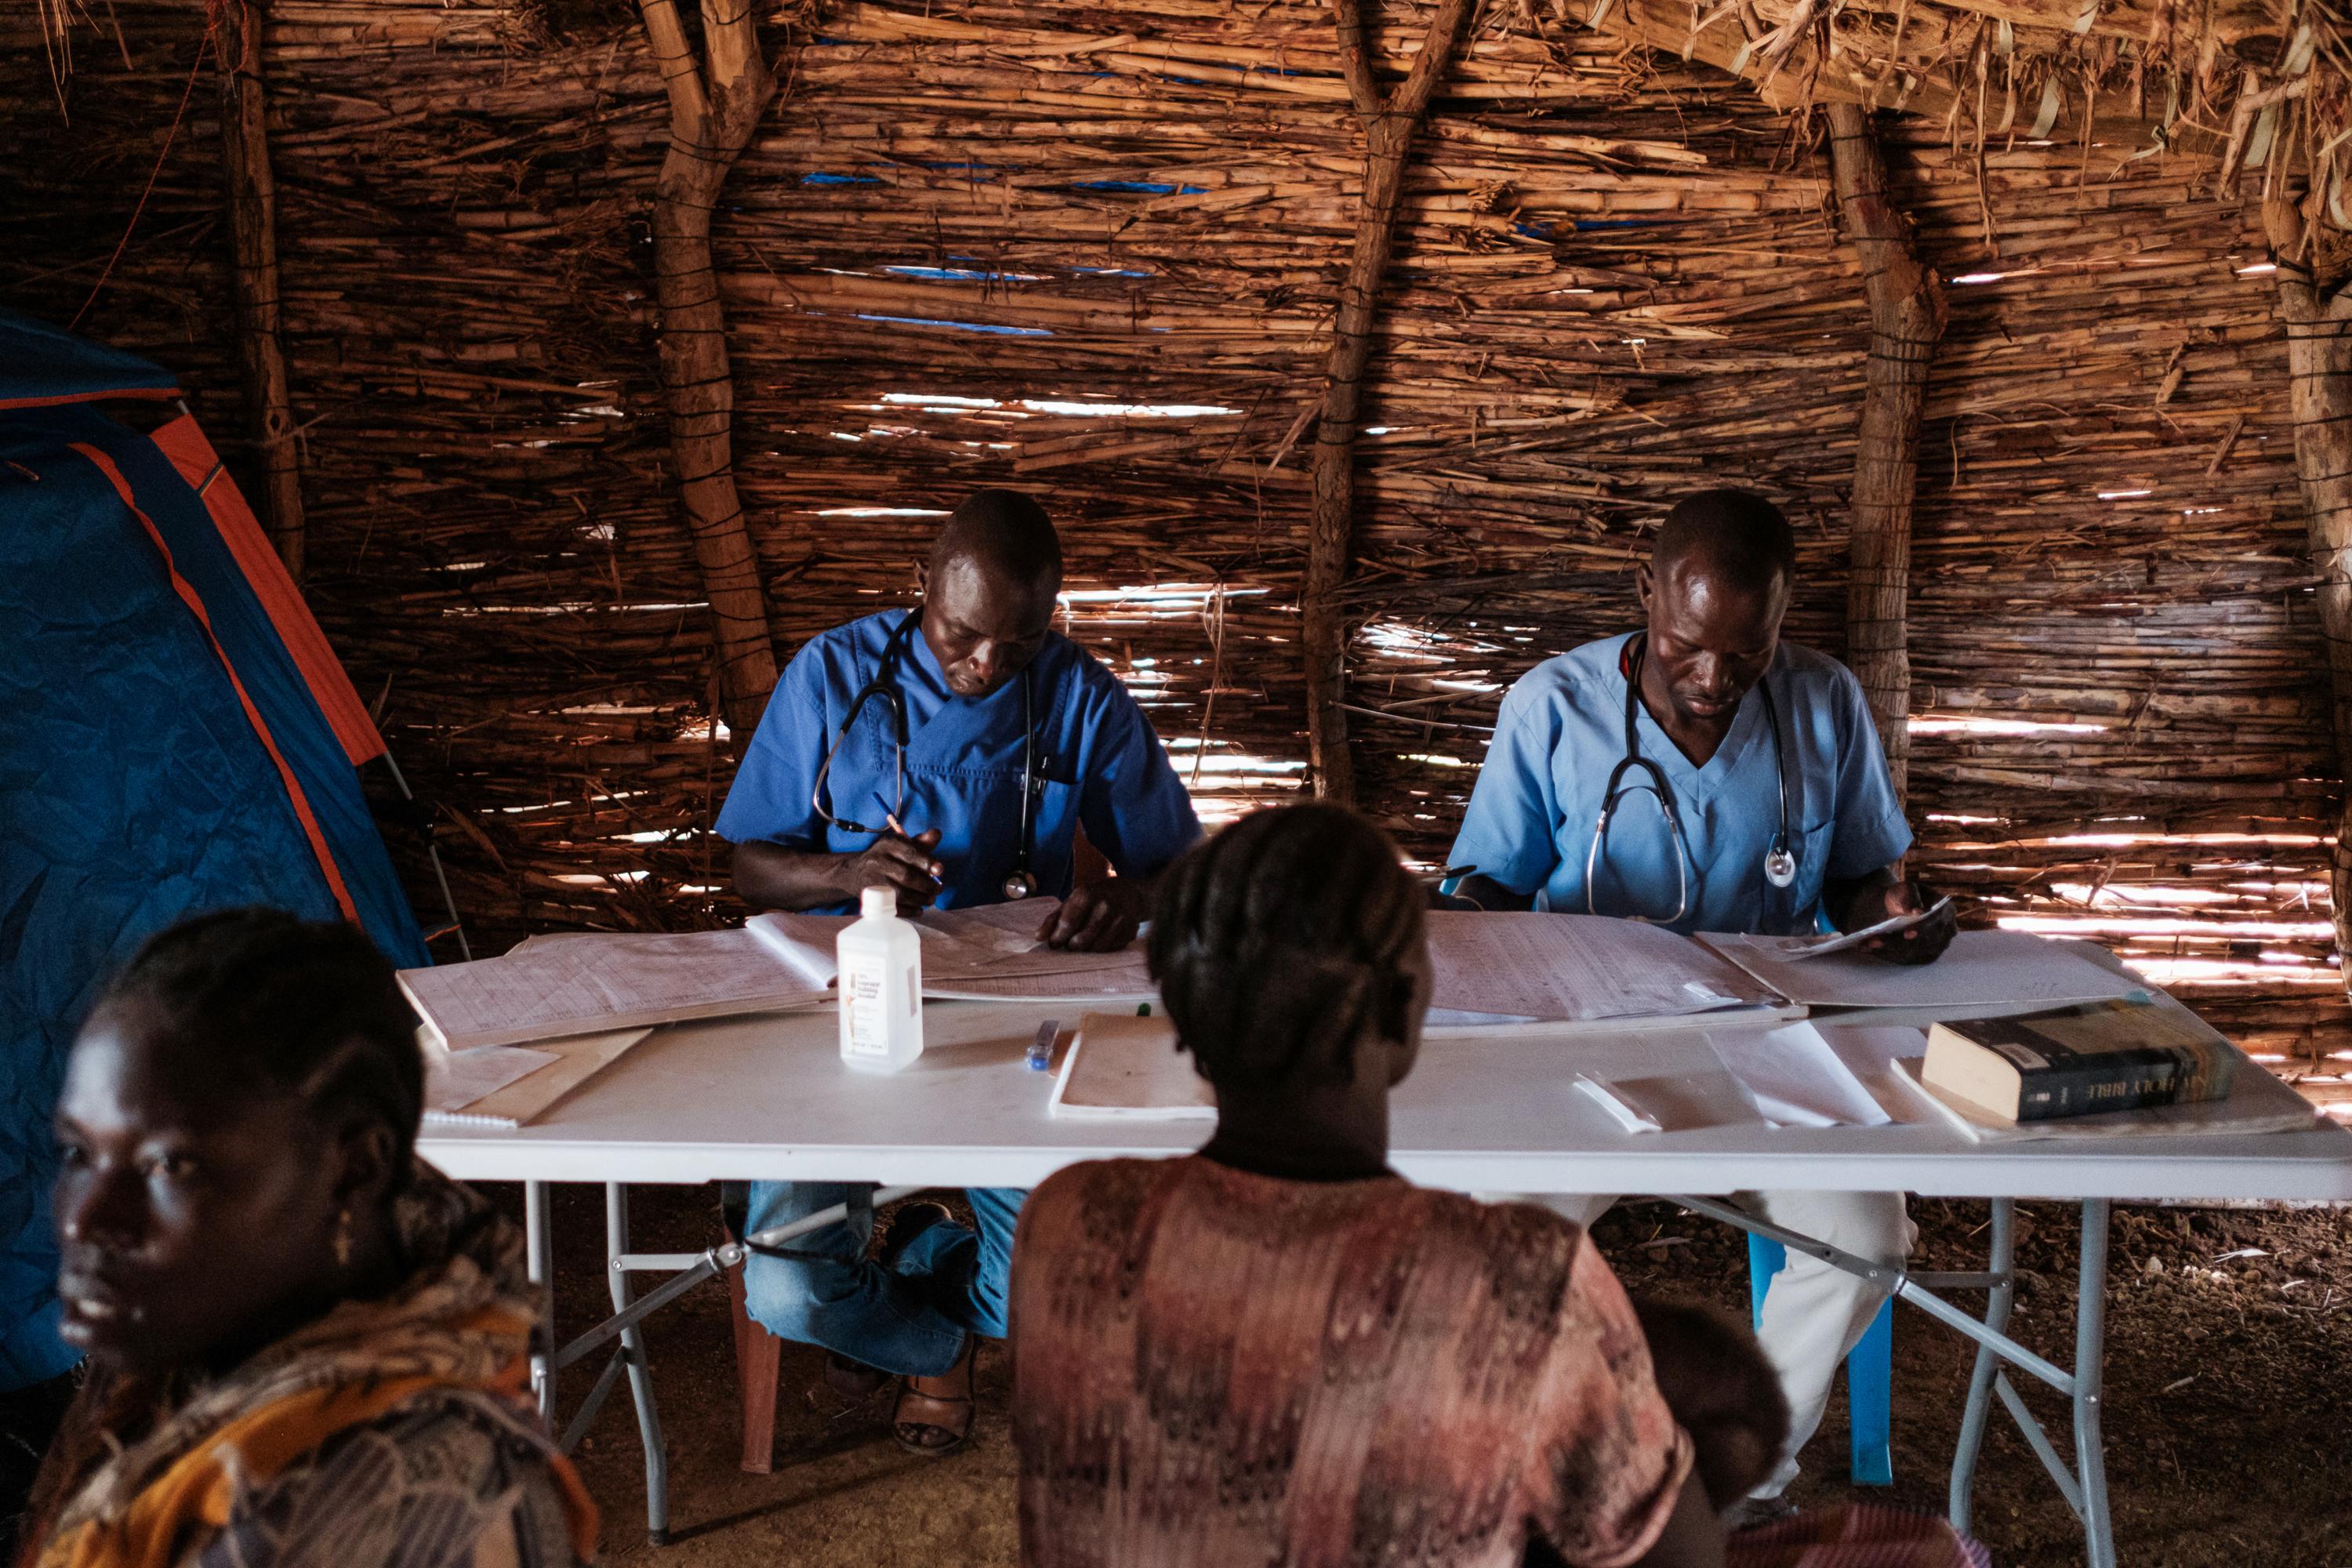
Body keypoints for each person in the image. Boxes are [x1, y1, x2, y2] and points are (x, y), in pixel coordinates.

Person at [1011, 804, 1719, 1567]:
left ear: (1179, 1020)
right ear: (1408, 1008)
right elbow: (1682, 1557)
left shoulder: (1068, 1217)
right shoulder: (1520, 1277)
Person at [1443, 489, 1955, 1516]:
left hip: (1770, 1052)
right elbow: (1483, 890)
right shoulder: (1553, 707)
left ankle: (1733, 1479)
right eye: (1685, 647)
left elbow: (1861, 876)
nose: (1715, 679)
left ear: (1780, 619)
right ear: (1644, 596)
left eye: (1746, 652)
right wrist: (1470, 921)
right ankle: (1531, 1471)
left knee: (1866, 1241)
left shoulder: (1824, 704)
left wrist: (1892, 911)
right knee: (1507, 1249)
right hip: (1590, 1048)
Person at [716, 488, 1201, 1454]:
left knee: (1048, 1286)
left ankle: (928, 1253)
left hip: (1012, 1019)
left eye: (1015, 646)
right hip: (840, 1010)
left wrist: (1133, 899)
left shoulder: (1078, 696)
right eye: (961, 634)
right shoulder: (834, 675)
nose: (984, 664)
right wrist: (846, 870)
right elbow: (746, 862)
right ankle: (930, 1344)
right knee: (788, 1285)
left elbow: (1184, 864)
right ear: (922, 587)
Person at [24, 909, 597, 1568]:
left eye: (170, 1166)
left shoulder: (414, 1512)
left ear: (354, 1169)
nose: (86, 1219)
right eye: (78, 1154)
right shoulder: (185, 1364)